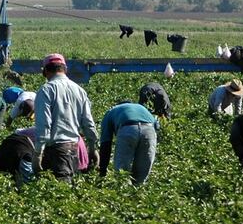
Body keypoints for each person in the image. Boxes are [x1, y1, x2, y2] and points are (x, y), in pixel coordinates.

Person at [33, 53, 99, 183]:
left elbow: (44, 124)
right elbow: (88, 123)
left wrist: (38, 153)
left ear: (45, 71)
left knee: (59, 190)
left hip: (55, 151)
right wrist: (93, 149)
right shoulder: (79, 90)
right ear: (65, 69)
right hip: (73, 149)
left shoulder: (46, 90)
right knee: (68, 188)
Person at [98, 101, 159, 185]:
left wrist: (102, 170)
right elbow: (157, 127)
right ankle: (138, 189)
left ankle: (123, 189)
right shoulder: (142, 108)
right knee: (142, 171)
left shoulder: (111, 111)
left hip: (127, 129)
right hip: (149, 130)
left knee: (122, 172)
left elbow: (106, 143)